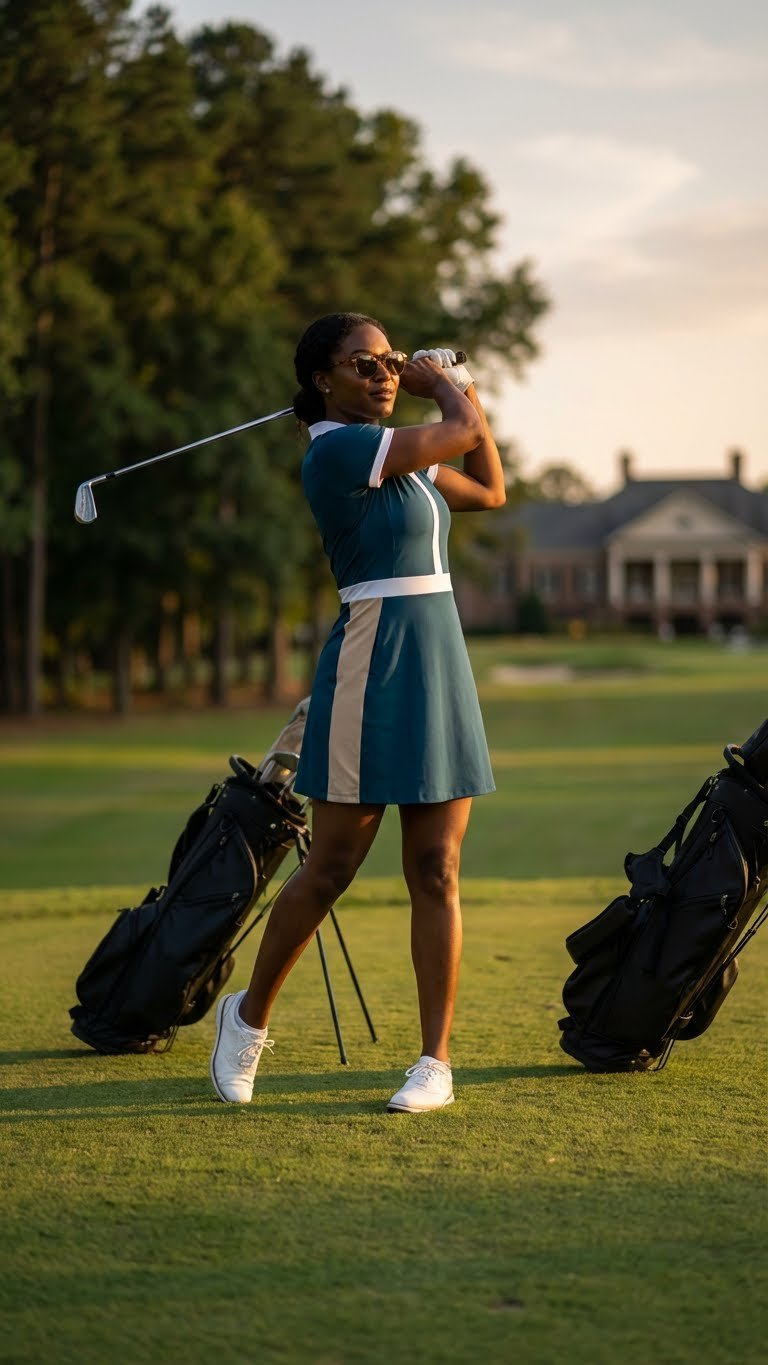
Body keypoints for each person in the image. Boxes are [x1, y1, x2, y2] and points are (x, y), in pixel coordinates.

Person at [210, 312, 505, 1112]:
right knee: (333, 863)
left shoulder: (403, 462)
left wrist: (458, 386)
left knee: (436, 868)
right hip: (370, 664)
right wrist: (441, 380)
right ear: (322, 381)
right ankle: (247, 1019)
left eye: (387, 362)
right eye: (363, 363)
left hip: (438, 665)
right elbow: (462, 425)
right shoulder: (341, 450)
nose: (382, 374)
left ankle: (433, 1062)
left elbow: (488, 485)